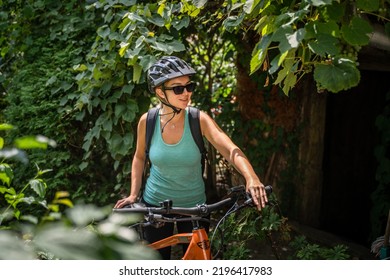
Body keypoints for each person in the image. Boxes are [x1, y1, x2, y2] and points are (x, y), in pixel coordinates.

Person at [114, 56, 268, 259]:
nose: (186, 93)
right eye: (178, 88)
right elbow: (139, 157)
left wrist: (251, 177)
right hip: (155, 206)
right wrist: (134, 194)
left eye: (189, 86)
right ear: (160, 92)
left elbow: (230, 150)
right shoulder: (148, 121)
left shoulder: (198, 119)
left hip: (195, 208)